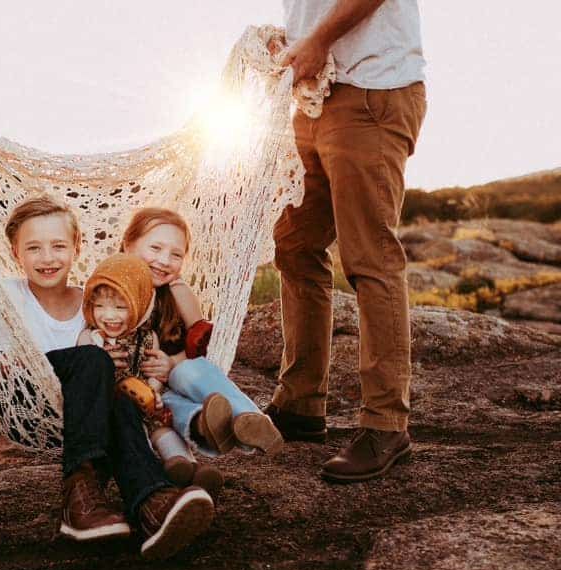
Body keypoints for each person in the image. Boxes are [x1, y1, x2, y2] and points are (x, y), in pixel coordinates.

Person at [4, 197, 215, 560]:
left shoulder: (101, 299)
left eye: (58, 246)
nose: (47, 258)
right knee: (91, 359)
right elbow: (5, 366)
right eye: (33, 248)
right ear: (15, 253)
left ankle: (152, 503)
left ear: (76, 249)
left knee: (120, 395)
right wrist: (96, 362)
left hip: (90, 410)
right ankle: (80, 491)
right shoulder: (5, 295)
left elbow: (149, 330)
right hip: (31, 399)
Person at [271, 0, 427, 482]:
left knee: (370, 256)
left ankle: (386, 424)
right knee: (295, 246)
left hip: (373, 91)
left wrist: (316, 41)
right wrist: (293, 42)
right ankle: (300, 403)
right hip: (313, 97)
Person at [120, 208, 285, 458]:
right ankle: (198, 445)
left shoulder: (176, 294)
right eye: (155, 249)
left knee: (186, 371)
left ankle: (249, 420)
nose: (164, 260)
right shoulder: (109, 292)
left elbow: (198, 349)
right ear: (128, 245)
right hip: (132, 393)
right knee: (173, 408)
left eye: (176, 254)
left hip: (171, 384)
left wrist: (171, 363)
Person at [77, 254, 223, 497]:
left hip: (145, 397)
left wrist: (153, 390)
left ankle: (185, 466)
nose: (109, 315)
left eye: (120, 307)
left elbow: (153, 368)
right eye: (99, 306)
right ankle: (163, 477)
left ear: (140, 306)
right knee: (134, 434)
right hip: (114, 406)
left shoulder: (147, 336)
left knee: (162, 427)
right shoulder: (91, 337)